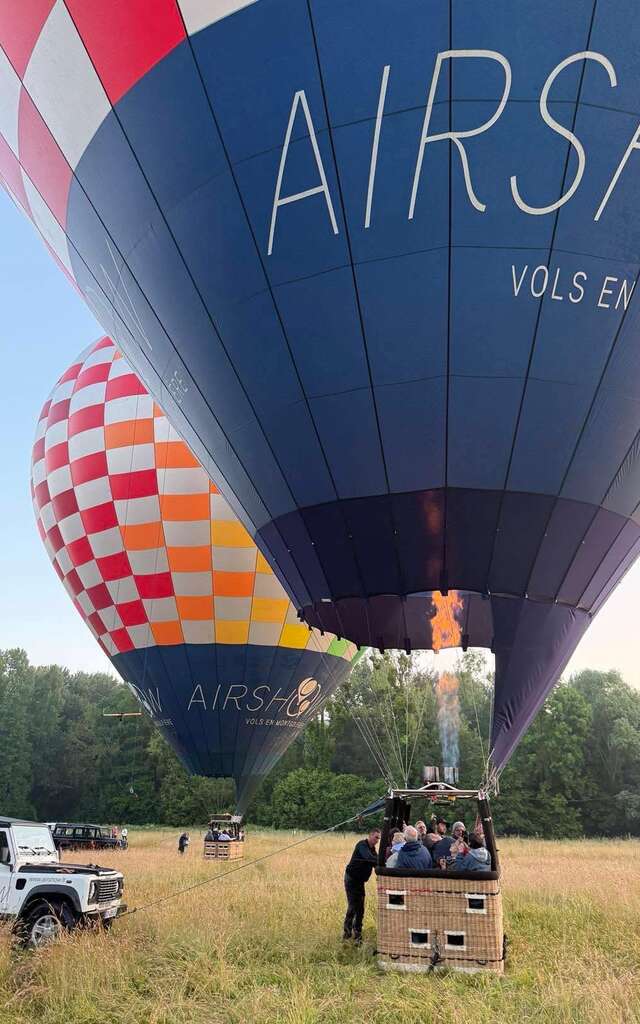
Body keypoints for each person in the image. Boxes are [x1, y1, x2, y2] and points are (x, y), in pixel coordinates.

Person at [343, 828, 381, 944]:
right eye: (376, 837)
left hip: (360, 881)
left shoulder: (373, 850)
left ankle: (358, 936)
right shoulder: (362, 845)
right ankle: (347, 934)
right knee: (353, 906)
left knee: (360, 908)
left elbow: (376, 863)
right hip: (351, 879)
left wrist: (380, 871)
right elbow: (369, 858)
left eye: (379, 838)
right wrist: (380, 860)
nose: (377, 840)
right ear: (370, 835)